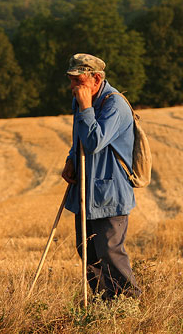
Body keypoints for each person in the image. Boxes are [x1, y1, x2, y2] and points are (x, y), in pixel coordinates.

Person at [61, 53, 141, 300]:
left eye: (79, 80)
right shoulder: (82, 98)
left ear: (96, 78)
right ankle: (100, 306)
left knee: (111, 253)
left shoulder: (113, 104)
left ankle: (129, 304)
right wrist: (71, 160)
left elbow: (94, 141)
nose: (73, 86)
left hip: (109, 195)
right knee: (87, 253)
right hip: (86, 192)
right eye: (71, 79)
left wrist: (86, 108)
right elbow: (80, 140)